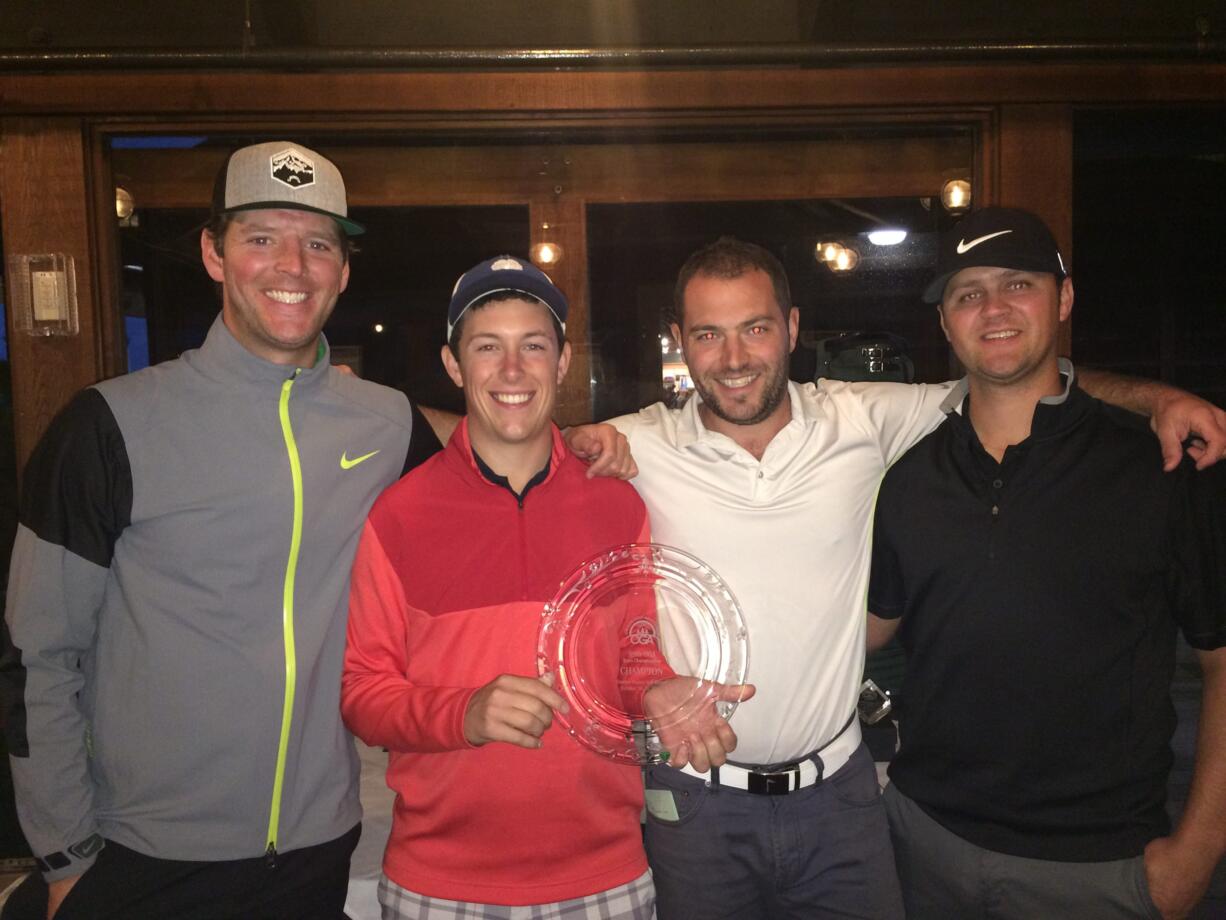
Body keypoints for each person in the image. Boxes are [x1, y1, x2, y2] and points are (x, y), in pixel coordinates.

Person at [573, 236, 1226, 920]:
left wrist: (1156, 398)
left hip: (841, 804)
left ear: (792, 329)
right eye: (708, 334)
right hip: (694, 804)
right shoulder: (636, 445)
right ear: (679, 339)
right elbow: (514, 465)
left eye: (756, 328)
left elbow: (1007, 375)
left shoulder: (863, 420)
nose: (734, 359)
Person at [0, 140, 455, 920]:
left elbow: (484, 469)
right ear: (214, 253)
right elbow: (34, 656)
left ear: (343, 271)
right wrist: (65, 856)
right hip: (145, 853)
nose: (293, 265)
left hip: (317, 845)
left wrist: (592, 443)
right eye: (260, 238)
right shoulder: (108, 425)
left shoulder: (381, 421)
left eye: (318, 243)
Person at [867, 206, 1226, 919]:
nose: (992, 309)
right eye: (967, 293)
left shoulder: (1156, 465)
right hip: (924, 842)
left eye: (1017, 284)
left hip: (1101, 866)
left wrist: (1199, 848)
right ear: (945, 323)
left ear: (1063, 299)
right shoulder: (908, 478)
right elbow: (869, 629)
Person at [340, 257, 672, 919]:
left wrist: (667, 694)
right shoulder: (398, 514)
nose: (512, 371)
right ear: (454, 365)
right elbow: (363, 694)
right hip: (439, 884)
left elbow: (637, 657)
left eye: (533, 347)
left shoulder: (618, 505)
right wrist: (464, 713)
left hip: (606, 876)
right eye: (488, 348)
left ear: (563, 361)